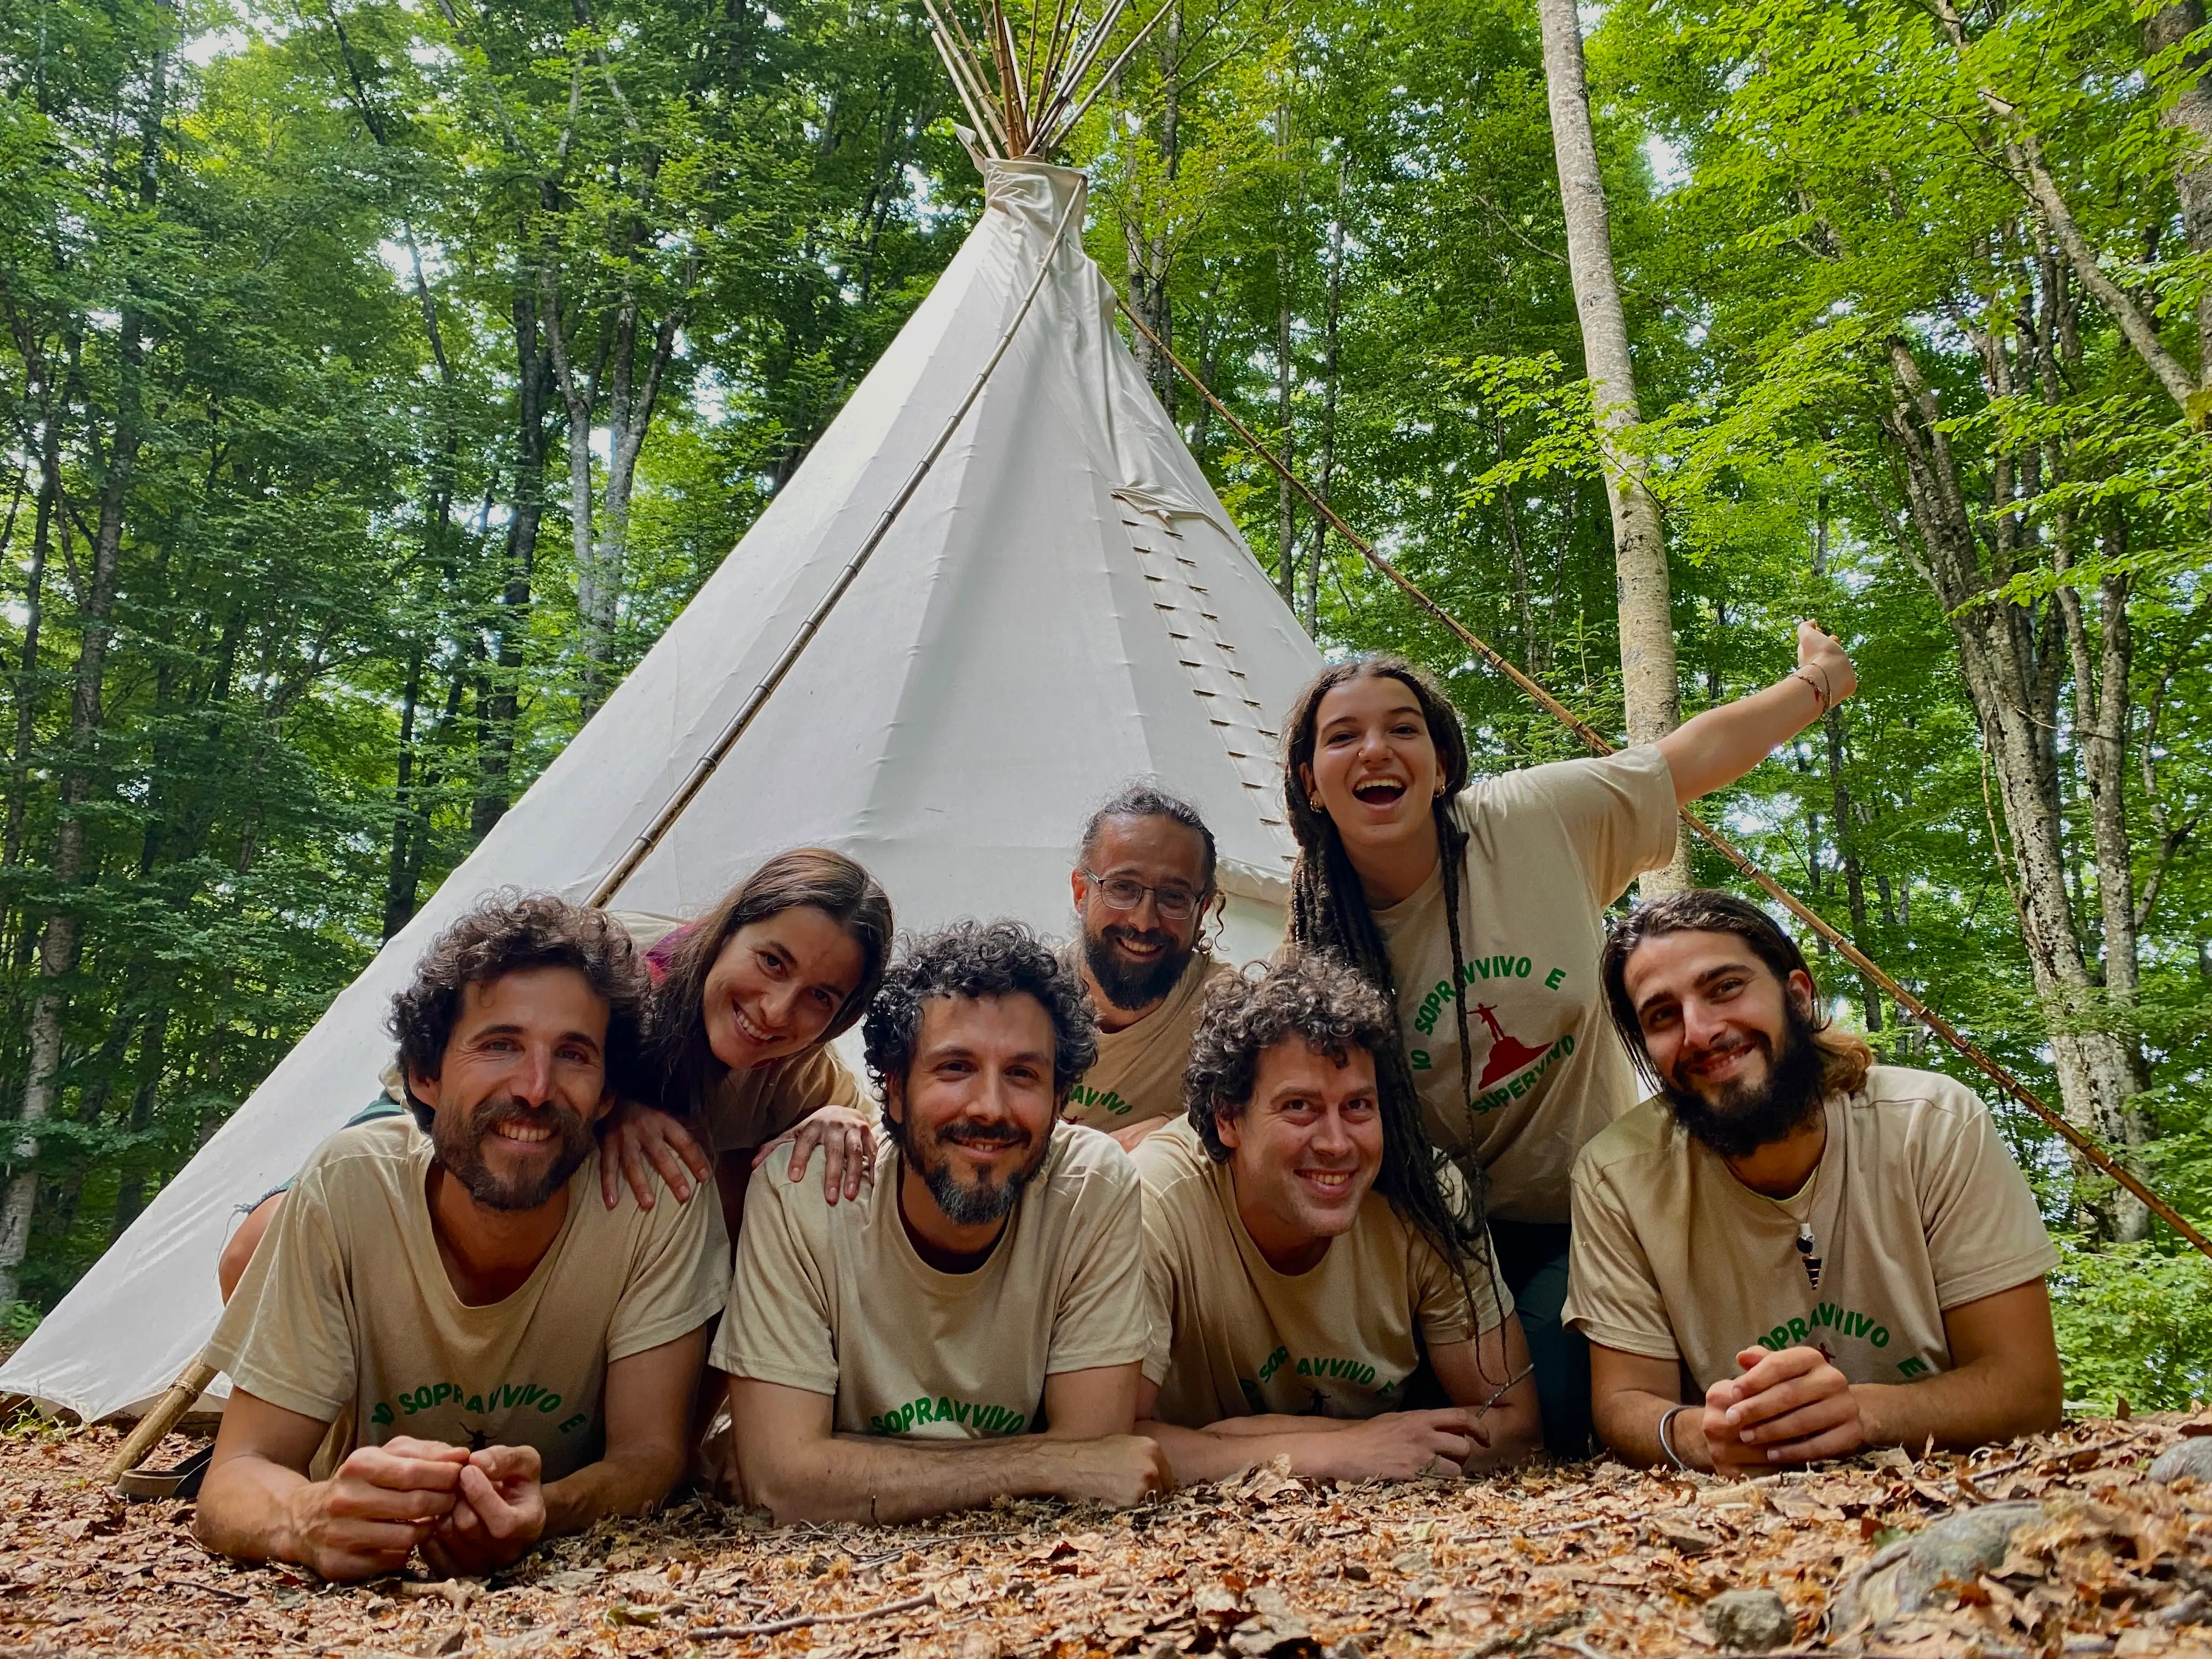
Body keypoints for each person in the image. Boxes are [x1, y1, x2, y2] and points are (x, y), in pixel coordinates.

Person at [1277, 625, 1858, 1454]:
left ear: (1441, 765)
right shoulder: (1316, 940)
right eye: (1343, 737)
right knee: (1425, 1423)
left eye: (1403, 728)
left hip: (1588, 1218)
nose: (1376, 749)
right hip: (1429, 1244)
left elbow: (1688, 760)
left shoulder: (1531, 823)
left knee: (1554, 1409)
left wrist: (1820, 684)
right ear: (1311, 781)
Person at [195, 895, 730, 1582]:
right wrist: (308, 1517)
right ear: (424, 1075)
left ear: (606, 1095)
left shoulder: (652, 1201)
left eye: (573, 1054)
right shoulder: (350, 1184)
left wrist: (548, 1509)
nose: (535, 1088)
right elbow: (240, 1470)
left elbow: (650, 1456)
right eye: (500, 1045)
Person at [216, 849, 891, 1300]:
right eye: (771, 962)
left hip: (592, 1271)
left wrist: (841, 1119)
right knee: (258, 1252)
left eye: (821, 997)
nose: (777, 1011)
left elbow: (877, 1146)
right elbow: (451, 1071)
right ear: (725, 931)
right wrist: (608, 1102)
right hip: (454, 1119)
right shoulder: (608, 967)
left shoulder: (798, 1069)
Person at [1567, 889, 2063, 1472]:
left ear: (1798, 998)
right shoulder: (1616, 1176)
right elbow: (1625, 1400)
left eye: (1725, 987)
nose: (1699, 1031)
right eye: (1662, 1016)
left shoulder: (1932, 1125)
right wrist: (1707, 1434)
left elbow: (2026, 1387)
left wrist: (1859, 1414)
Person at [717, 919, 1167, 1523]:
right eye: (955, 1068)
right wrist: (1045, 1464)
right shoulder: (805, 1192)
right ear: (895, 1092)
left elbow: (1097, 1452)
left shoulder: (1092, 1187)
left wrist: (840, 1466)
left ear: (1060, 1101)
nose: (989, 1107)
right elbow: (780, 1483)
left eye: (1023, 1074)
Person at [1134, 951, 1542, 1483]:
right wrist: (1341, 1450)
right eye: (1299, 1107)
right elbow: (1115, 1442)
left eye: (1357, 1107)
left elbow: (1517, 1426)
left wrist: (1232, 1443)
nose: (1336, 1143)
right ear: (1228, 1118)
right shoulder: (1158, 1199)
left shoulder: (1424, 1194)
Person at [1061, 783, 1234, 1152]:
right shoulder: (1022, 995)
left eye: (1174, 897)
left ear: (1202, 911)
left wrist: (1180, 1128)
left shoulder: (1231, 1015)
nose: (1143, 921)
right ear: (1081, 892)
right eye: (1123, 888)